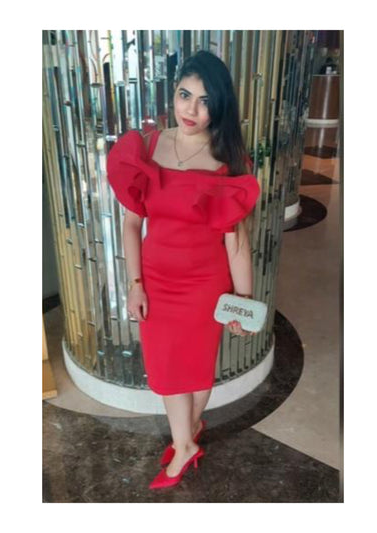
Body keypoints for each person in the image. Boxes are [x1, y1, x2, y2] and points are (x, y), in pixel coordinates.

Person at [106, 50, 261, 490]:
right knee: (166, 369)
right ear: (173, 93)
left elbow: (236, 241)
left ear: (219, 107)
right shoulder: (146, 147)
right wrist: (135, 283)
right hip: (156, 281)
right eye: (184, 94)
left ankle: (186, 437)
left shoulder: (228, 158)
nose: (191, 109)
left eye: (205, 101)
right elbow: (132, 223)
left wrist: (243, 301)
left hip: (205, 286)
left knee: (195, 367)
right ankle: (186, 439)